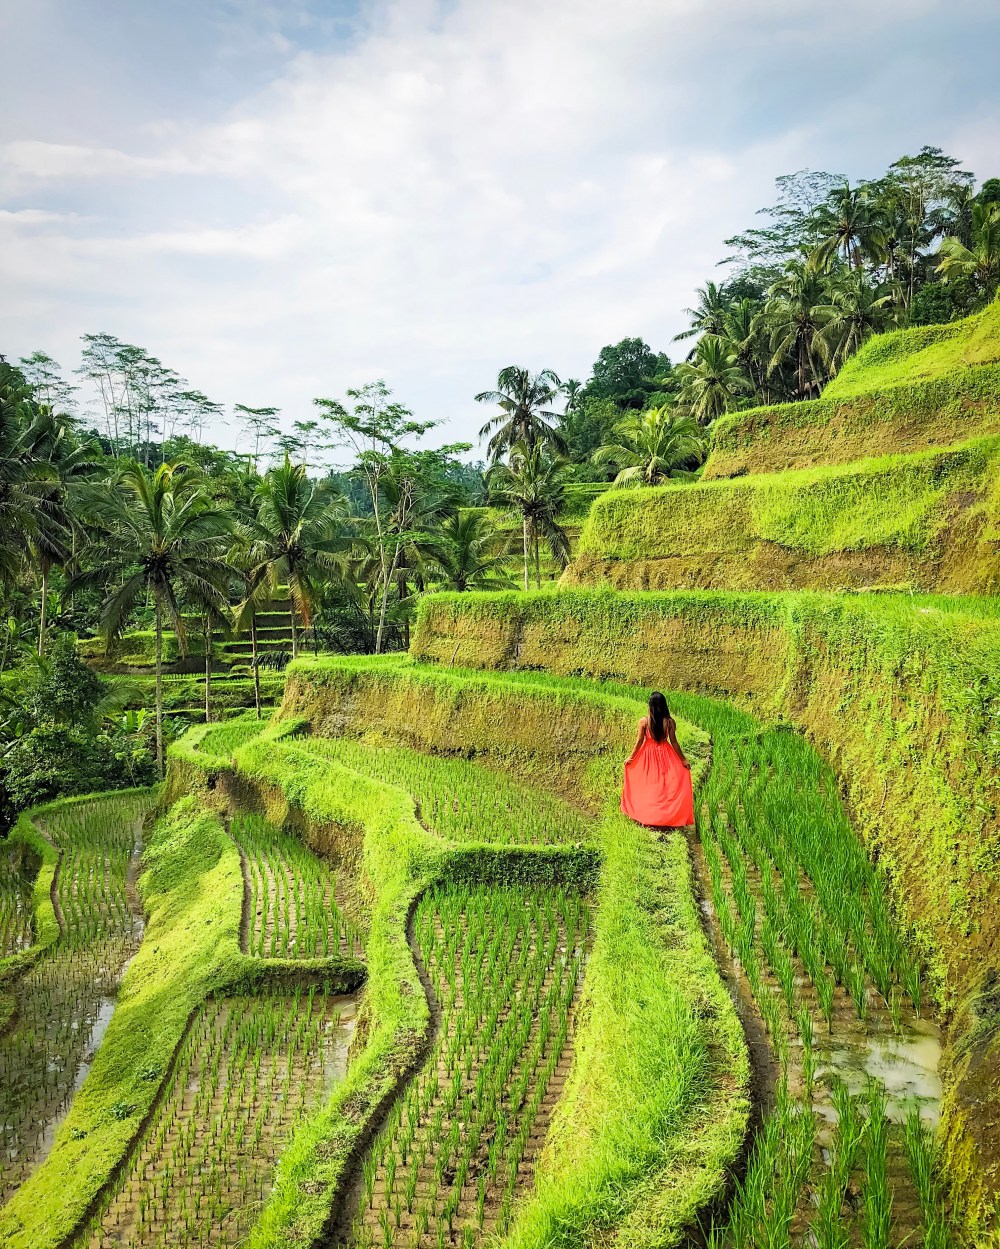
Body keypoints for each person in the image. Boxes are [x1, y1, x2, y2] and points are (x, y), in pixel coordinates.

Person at [621, 691, 694, 827]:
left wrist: (631, 758)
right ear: (664, 706)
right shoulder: (670, 722)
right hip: (666, 754)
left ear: (650, 706)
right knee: (665, 785)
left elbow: (639, 741)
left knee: (648, 785)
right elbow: (674, 742)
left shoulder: (644, 721)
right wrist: (683, 760)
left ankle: (648, 815)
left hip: (647, 755)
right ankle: (665, 816)